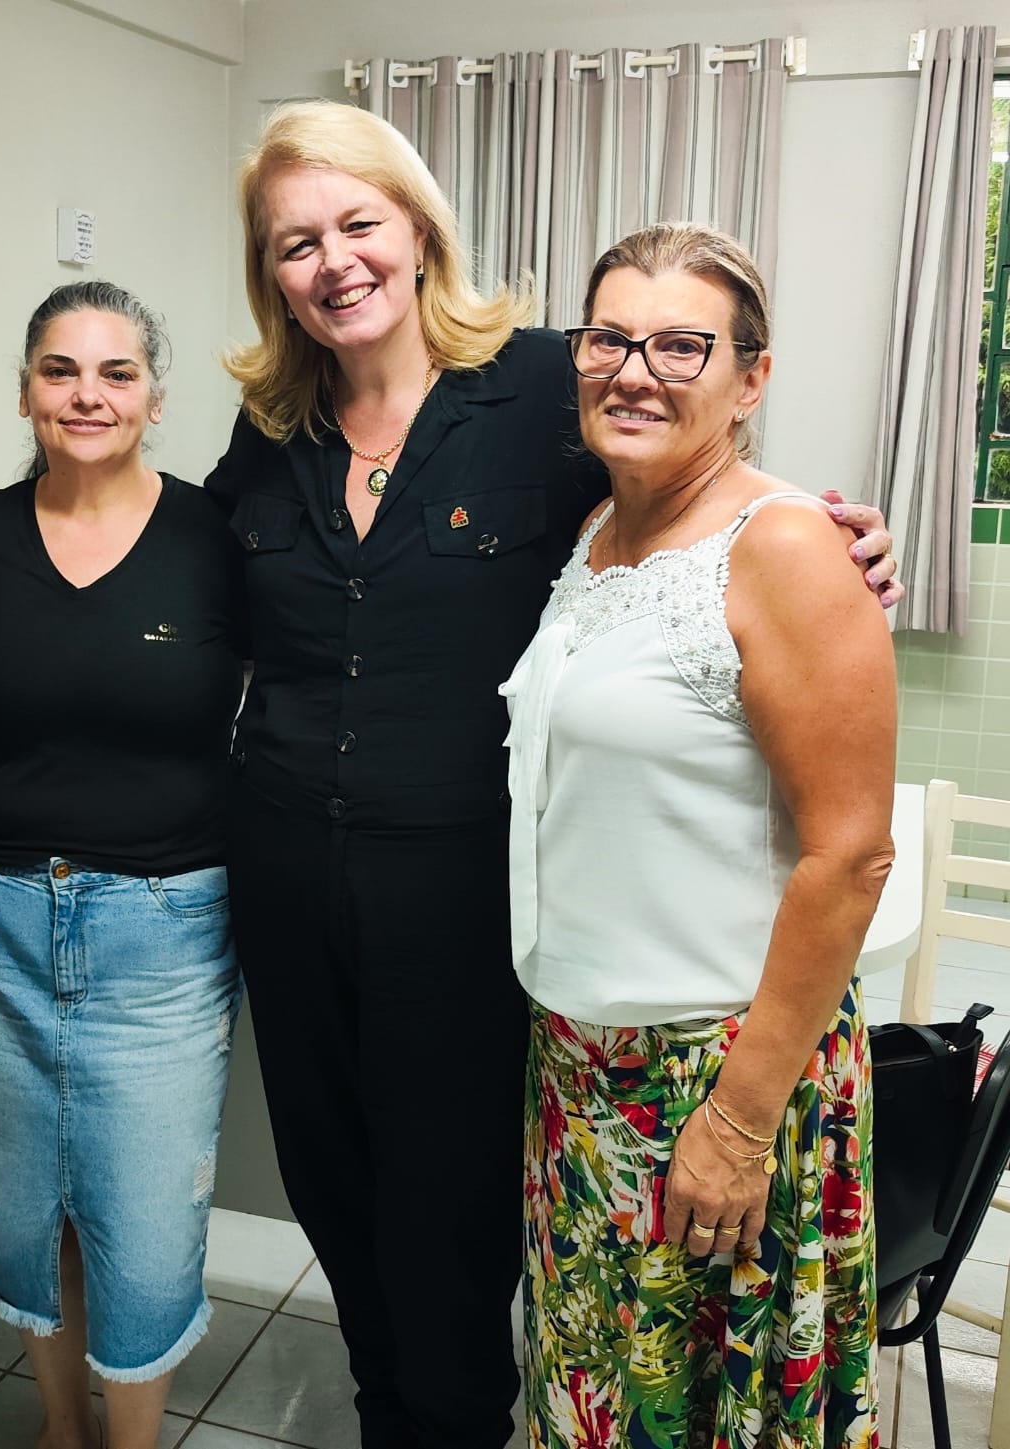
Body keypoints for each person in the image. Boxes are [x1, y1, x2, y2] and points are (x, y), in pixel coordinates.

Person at [205, 101, 900, 1449]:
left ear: (418, 230)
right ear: (269, 273)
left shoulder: (539, 389)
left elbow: (697, 477)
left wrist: (839, 538)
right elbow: (195, 596)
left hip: (466, 922)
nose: (334, 261)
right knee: (352, 1227)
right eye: (297, 241)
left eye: (358, 224)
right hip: (299, 904)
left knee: (457, 1257)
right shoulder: (269, 430)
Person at [504, 221, 893, 1447]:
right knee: (597, 1408)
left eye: (683, 345)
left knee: (707, 1419)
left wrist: (733, 1123)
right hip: (580, 1072)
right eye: (610, 337)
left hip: (717, 1077)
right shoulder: (594, 535)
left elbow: (851, 852)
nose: (636, 370)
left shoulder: (779, 544)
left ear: (751, 378)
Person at [0, 281, 245, 1449]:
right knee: (24, 1211)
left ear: (155, 398)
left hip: (163, 933)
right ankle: (61, 1426)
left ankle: (130, 1439)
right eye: (61, 371)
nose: (87, 395)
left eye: (116, 373)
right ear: (25, 391)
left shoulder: (217, 540)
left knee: (144, 1220)